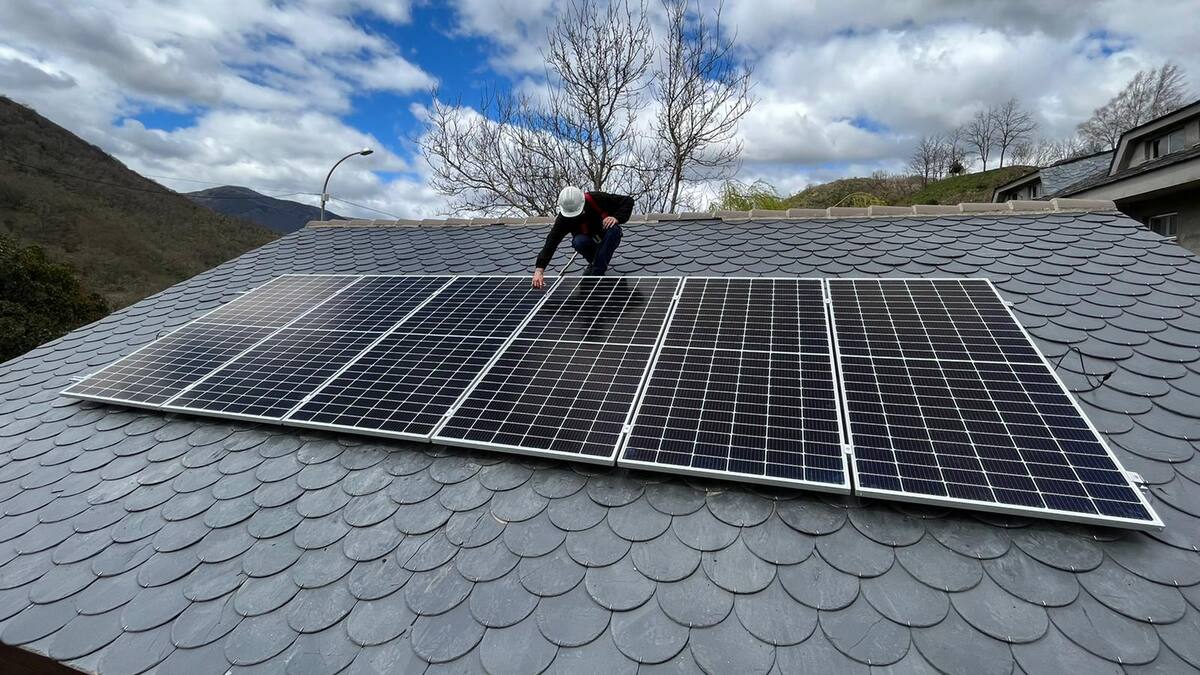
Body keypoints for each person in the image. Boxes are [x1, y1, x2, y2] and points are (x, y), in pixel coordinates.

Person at [532, 186, 634, 288]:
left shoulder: (597, 198)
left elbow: (628, 201)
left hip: (608, 237)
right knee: (578, 241)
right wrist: (539, 270)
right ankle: (596, 263)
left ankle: (596, 272)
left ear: (583, 202)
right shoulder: (564, 219)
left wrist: (616, 217)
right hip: (589, 242)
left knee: (613, 230)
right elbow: (552, 241)